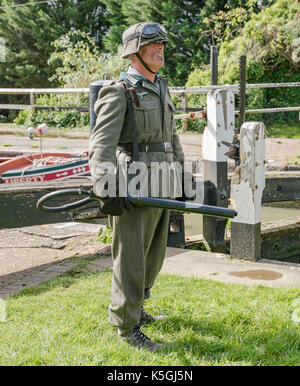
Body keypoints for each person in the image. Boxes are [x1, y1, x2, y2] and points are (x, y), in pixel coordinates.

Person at [89, 22, 184, 351]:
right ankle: (126, 326)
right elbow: (100, 146)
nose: (160, 49)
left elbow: (172, 138)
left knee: (154, 254)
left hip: (163, 181)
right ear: (135, 52)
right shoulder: (120, 90)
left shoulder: (161, 87)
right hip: (134, 183)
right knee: (130, 257)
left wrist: (182, 177)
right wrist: (105, 188)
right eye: (152, 44)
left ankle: (137, 307)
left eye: (162, 44)